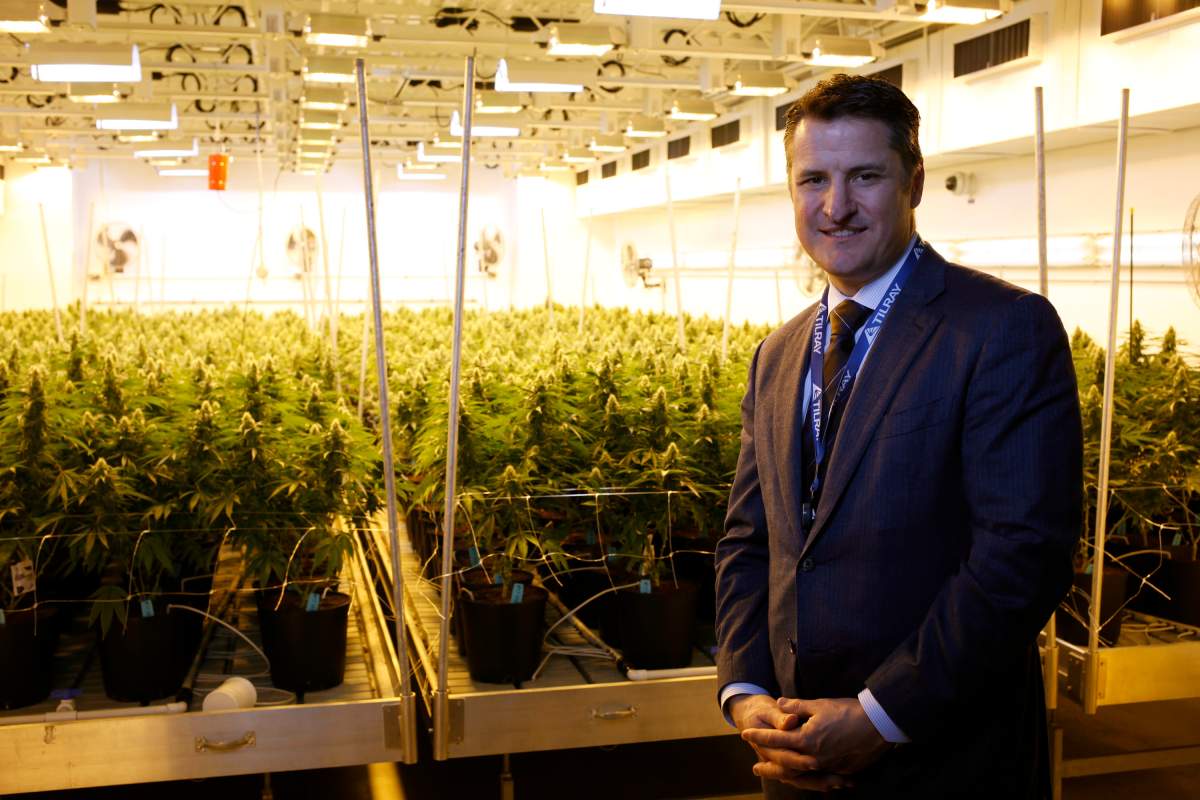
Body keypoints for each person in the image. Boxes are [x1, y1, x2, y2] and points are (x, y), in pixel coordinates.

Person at [714, 74, 1083, 798]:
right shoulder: (779, 354)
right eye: (812, 179)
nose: (835, 205)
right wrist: (747, 693)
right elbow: (748, 542)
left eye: (865, 177)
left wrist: (879, 716)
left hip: (943, 760)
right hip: (793, 759)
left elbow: (1021, 555)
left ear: (913, 182)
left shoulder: (1002, 328)